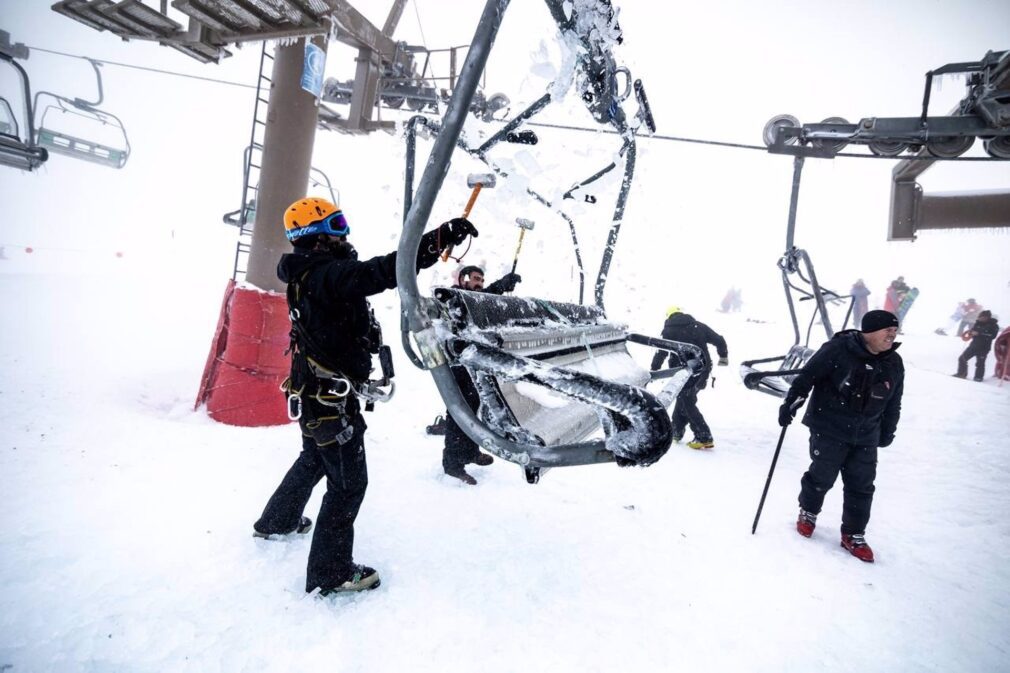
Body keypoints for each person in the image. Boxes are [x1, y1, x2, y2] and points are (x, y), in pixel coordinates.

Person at [252, 197, 478, 595]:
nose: (344, 233)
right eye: (336, 225)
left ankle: (278, 521)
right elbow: (382, 271)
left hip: (314, 396)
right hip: (329, 403)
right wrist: (437, 239)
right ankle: (330, 572)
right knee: (348, 485)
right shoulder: (326, 275)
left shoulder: (309, 274)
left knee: (313, 459)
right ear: (317, 236)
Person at [778, 310, 904, 563]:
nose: (892, 335)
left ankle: (853, 534)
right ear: (869, 331)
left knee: (862, 486)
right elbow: (807, 377)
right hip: (829, 427)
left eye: (895, 331)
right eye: (887, 330)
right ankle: (809, 511)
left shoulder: (893, 362)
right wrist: (791, 402)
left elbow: (894, 401)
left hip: (867, 434)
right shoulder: (838, 349)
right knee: (822, 476)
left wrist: (888, 430)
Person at [442, 264, 522, 484]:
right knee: (458, 410)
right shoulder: (452, 297)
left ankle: (470, 451)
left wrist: (502, 286)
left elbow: (482, 299)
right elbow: (473, 300)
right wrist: (500, 287)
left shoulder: (472, 299)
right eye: (476, 278)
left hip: (473, 361)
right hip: (457, 362)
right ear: (463, 279)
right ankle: (452, 464)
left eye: (482, 280)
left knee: (474, 406)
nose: (479, 283)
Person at [649, 306, 728, 449]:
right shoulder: (699, 326)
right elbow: (719, 340)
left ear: (669, 316)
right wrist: (723, 356)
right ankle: (677, 431)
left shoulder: (668, 330)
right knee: (684, 399)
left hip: (683, 371)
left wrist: (654, 369)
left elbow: (661, 352)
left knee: (686, 401)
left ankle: (704, 436)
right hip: (702, 369)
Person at [954, 310, 1000, 381]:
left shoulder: (994, 325)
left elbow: (992, 336)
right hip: (973, 346)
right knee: (962, 358)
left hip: (984, 347)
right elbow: (973, 331)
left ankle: (978, 378)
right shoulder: (977, 323)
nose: (980, 318)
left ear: (987, 317)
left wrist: (979, 333)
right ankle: (961, 374)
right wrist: (970, 333)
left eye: (983, 317)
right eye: (980, 317)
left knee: (980, 363)